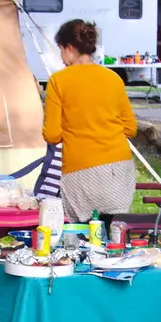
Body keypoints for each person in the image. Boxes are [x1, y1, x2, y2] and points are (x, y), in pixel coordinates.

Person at [42, 19, 137, 219]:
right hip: (119, 168)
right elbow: (130, 128)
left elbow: (51, 134)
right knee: (113, 233)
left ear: (68, 48)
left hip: (80, 170)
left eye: (60, 49)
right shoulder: (113, 78)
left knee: (83, 235)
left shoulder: (58, 81)